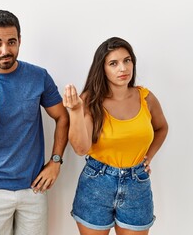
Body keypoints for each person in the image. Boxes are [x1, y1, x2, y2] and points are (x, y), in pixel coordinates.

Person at [0, 10, 69, 235]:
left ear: (20, 40)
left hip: (33, 188)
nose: (5, 50)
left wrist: (56, 161)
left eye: (11, 42)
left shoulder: (39, 76)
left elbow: (62, 117)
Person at [63, 37, 168, 235]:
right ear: (102, 68)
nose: (123, 68)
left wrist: (149, 156)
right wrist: (76, 111)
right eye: (114, 63)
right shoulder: (90, 101)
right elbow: (80, 149)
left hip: (137, 184)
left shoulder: (146, 97)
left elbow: (161, 128)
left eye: (127, 60)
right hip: (96, 183)